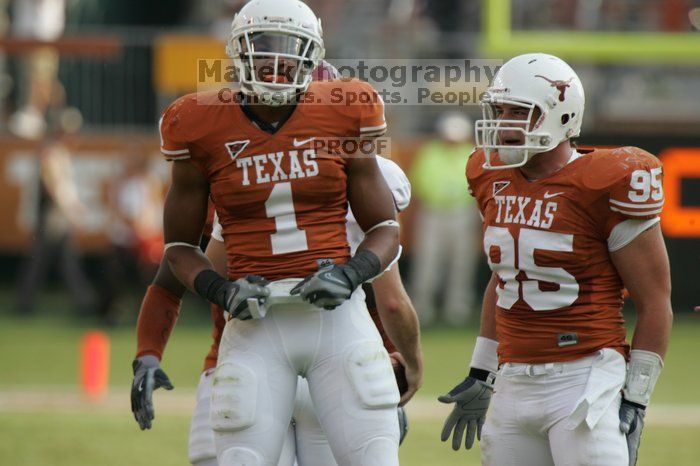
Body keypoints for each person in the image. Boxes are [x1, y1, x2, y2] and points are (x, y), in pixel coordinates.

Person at [150, 0, 422, 463]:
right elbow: (178, 251)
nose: (276, 68)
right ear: (238, 53)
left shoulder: (347, 112)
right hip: (259, 326)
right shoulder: (200, 124)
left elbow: (385, 230)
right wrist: (222, 291)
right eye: (264, 50)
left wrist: (350, 274)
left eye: (288, 53)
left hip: (336, 320)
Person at [438, 53, 672, 466]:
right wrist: (481, 370)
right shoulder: (489, 176)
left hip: (584, 377)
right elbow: (505, 278)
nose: (504, 123)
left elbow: (655, 303)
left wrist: (636, 398)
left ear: (561, 116)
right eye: (500, 110)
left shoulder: (605, 181)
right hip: (512, 379)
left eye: (520, 112)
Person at [131, 153, 419, 466]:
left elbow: (176, 274)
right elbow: (389, 303)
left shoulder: (241, 177)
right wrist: (400, 366)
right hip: (339, 368)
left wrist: (149, 352)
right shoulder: (367, 187)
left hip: (244, 363)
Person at [409, 111, 479, 325]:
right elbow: (420, 180)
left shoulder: (472, 153)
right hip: (433, 211)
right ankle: (422, 309)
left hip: (463, 213)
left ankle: (457, 310)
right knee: (427, 261)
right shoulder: (430, 152)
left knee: (461, 263)